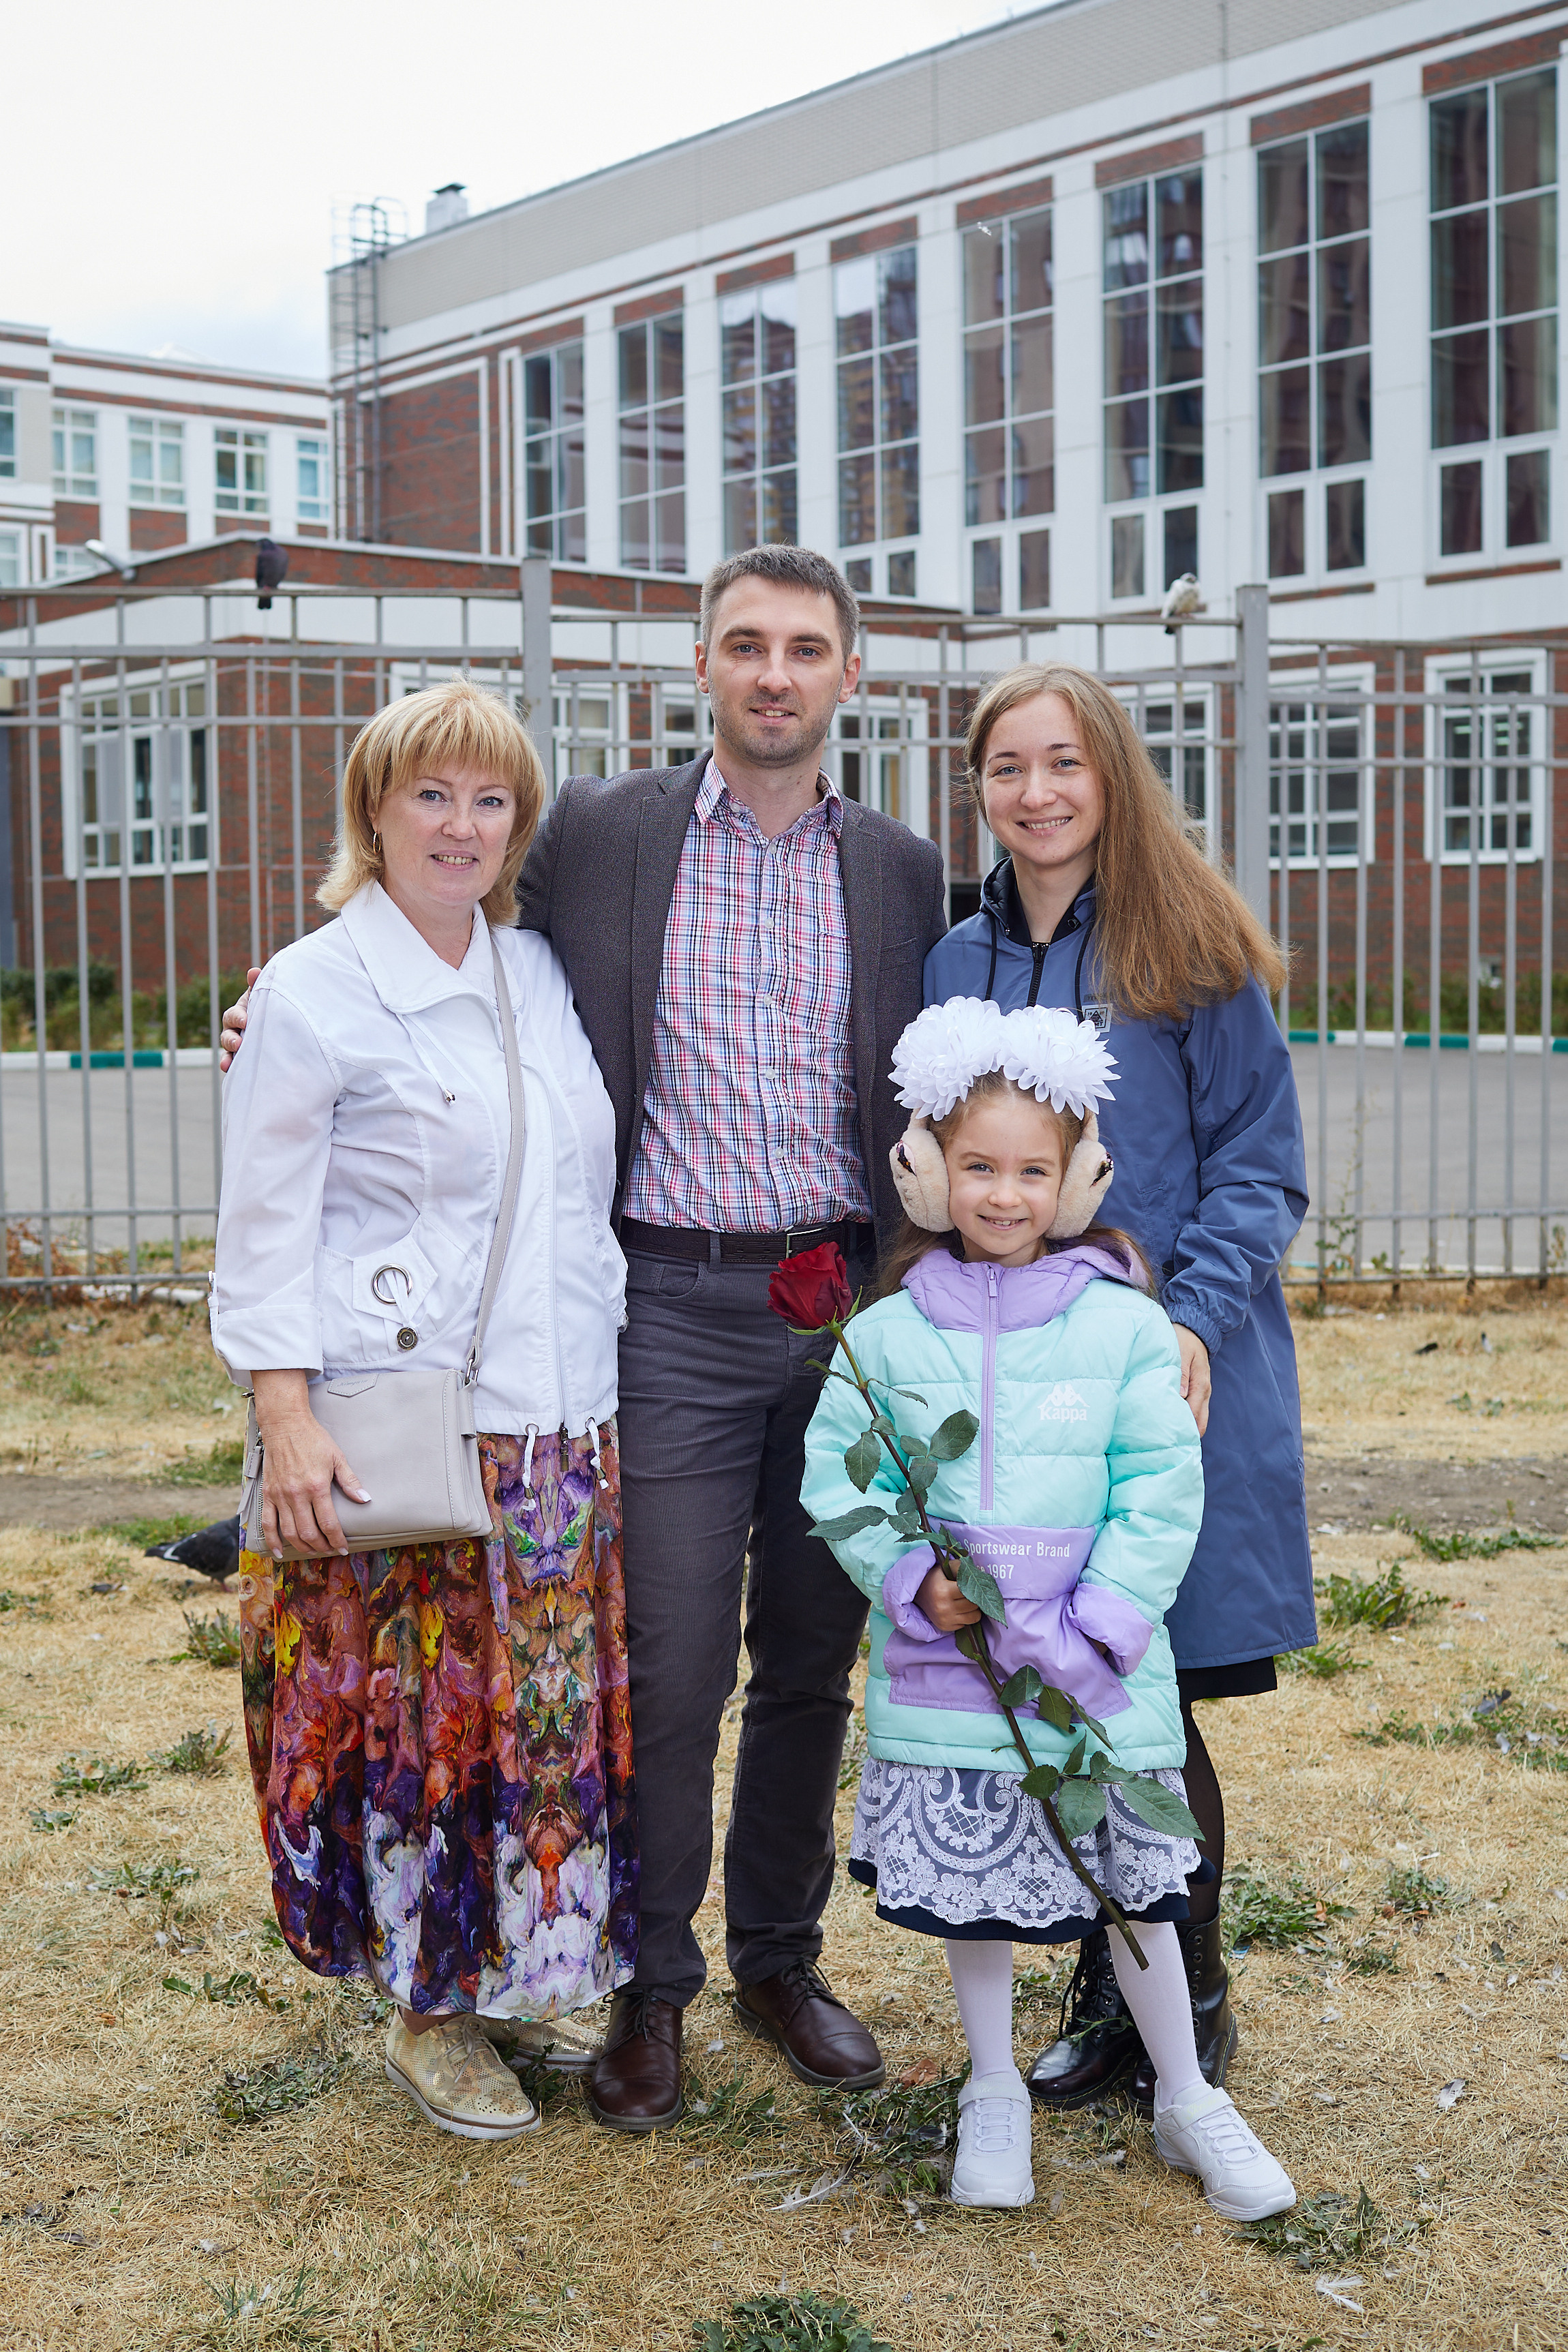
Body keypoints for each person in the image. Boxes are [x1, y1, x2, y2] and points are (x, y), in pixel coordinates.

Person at [224, 546, 948, 2132]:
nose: (775, 673)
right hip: (668, 1315)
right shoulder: (608, 838)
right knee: (669, 1667)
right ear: (699, 665)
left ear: (848, 678)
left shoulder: (901, 870)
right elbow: (420, 909)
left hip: (840, 1310)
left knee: (814, 1660)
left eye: (806, 649)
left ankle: (777, 1956)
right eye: (745, 644)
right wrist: (279, 991)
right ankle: (652, 1986)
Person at [212, 677, 635, 2144]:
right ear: (373, 814)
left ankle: (526, 1963)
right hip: (406, 1423)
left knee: (542, 1721)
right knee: (425, 1729)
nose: (460, 826)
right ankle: (426, 2008)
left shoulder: (537, 972)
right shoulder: (315, 990)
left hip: (561, 1426)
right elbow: (262, 1224)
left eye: (490, 799)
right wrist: (283, 1417)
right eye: (430, 796)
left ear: (518, 825)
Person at [801, 999, 1296, 2220]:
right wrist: (917, 1580)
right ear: (928, 1170)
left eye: (1033, 1170)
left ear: (1078, 1179)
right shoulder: (882, 1333)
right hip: (951, 1673)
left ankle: (1186, 2090)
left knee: (1128, 1875)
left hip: (1092, 1674)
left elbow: (1158, 1491)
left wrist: (1103, 1630)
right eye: (978, 1166)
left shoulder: (1125, 1323)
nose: (1005, 1194)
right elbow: (839, 1473)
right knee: (977, 1892)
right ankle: (993, 2087)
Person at [922, 664, 1312, 2111]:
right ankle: (1107, 1966)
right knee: (1052, 1680)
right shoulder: (954, 962)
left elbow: (1261, 1169)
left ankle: (1187, 1993)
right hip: (1020, 1385)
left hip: (1161, 1377)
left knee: (1147, 1694)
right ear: (978, 789)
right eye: (1006, 768)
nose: (1035, 793)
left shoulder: (1190, 948)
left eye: (1062, 764)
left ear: (1112, 777)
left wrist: (1191, 1323)